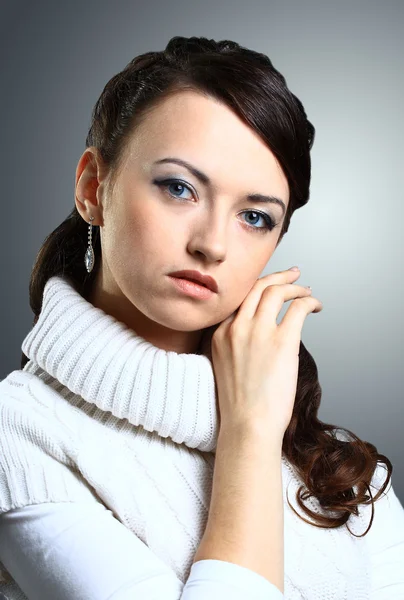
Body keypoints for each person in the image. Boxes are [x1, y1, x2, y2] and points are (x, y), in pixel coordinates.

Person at [0, 35, 403, 600]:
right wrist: (247, 436)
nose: (213, 244)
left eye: (255, 217)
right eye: (179, 188)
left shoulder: (333, 461)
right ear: (94, 188)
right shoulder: (18, 435)